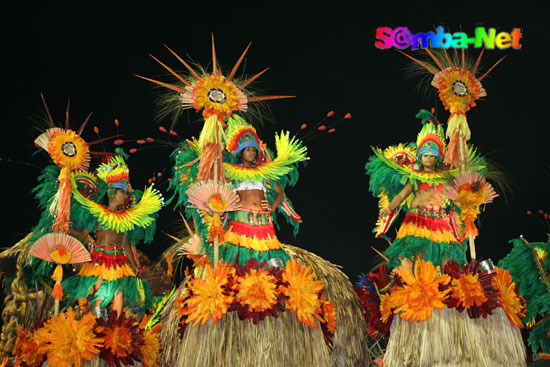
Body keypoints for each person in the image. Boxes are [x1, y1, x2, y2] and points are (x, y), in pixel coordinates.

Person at [63, 154, 163, 317]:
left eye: (124, 194)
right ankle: (98, 327)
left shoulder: (125, 219)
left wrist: (134, 266)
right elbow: (83, 235)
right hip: (100, 259)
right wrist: (66, 229)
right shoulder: (98, 213)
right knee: (101, 296)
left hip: (119, 261)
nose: (124, 196)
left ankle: (116, 328)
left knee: (119, 295)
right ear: (113, 193)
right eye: (121, 193)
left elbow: (125, 244)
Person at [368, 110, 466, 269]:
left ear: (437, 158)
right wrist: (389, 208)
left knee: (445, 258)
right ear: (421, 157)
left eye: (431, 155)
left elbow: (461, 184)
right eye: (425, 155)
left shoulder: (445, 177)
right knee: (418, 258)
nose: (428, 158)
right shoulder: (415, 177)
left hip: (440, 221)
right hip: (418, 219)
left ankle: (444, 289)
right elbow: (401, 195)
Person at [219, 117, 296, 267]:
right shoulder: (231, 173)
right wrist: (221, 209)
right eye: (248, 149)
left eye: (254, 149)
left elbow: (280, 193)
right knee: (237, 258)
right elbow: (220, 194)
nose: (252, 152)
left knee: (266, 259)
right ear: (241, 152)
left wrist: (272, 207)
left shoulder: (263, 173)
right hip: (241, 218)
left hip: (262, 220)